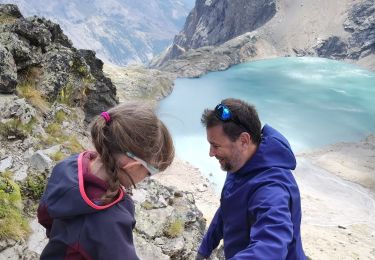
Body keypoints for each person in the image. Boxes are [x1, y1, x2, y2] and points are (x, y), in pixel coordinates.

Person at [37, 101, 174, 259]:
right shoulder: (112, 220)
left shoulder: (68, 166)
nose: (147, 178)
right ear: (132, 165)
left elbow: (44, 215)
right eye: (150, 172)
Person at [196, 98, 306, 260]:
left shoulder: (271, 189)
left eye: (216, 146)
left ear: (244, 140)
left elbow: (271, 247)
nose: (211, 153)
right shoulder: (240, 163)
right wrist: (205, 248)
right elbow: (228, 207)